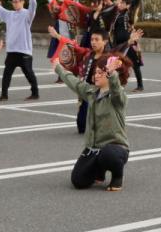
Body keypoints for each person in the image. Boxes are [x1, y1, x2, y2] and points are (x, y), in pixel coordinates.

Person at [55, 53, 131, 191]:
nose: (96, 75)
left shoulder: (118, 97)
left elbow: (115, 88)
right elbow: (75, 84)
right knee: (78, 181)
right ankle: (99, 171)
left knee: (108, 154)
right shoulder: (91, 92)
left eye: (100, 73)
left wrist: (111, 73)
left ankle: (117, 177)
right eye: (96, 72)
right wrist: (58, 68)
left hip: (116, 148)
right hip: (94, 149)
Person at [0, 0, 40, 101]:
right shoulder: (9, 14)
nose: (15, 4)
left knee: (29, 73)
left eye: (17, 1)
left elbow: (32, 9)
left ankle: (35, 93)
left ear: (23, 2)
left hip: (24, 50)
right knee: (6, 74)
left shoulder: (27, 15)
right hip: (12, 50)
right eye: (13, 2)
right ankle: (4, 95)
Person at [104, 0, 145, 91]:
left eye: (123, 3)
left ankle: (140, 85)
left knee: (135, 64)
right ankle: (118, 83)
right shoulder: (117, 14)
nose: (121, 4)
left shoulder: (128, 14)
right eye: (121, 3)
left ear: (127, 5)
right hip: (119, 43)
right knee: (117, 63)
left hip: (129, 42)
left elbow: (134, 6)